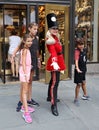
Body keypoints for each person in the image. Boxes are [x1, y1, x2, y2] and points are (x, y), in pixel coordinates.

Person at [12, 22, 41, 112]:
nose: (35, 31)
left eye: (36, 29)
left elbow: (37, 50)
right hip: (27, 63)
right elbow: (18, 46)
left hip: (33, 62)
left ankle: (29, 99)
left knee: (30, 81)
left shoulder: (36, 38)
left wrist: (39, 60)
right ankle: (21, 101)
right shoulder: (26, 38)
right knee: (25, 83)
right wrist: (13, 55)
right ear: (29, 29)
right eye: (34, 29)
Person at [45, 13, 66, 116]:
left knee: (53, 81)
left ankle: (49, 97)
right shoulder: (50, 39)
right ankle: (53, 105)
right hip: (55, 61)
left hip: (59, 59)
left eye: (57, 28)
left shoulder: (56, 37)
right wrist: (54, 62)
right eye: (53, 28)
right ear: (49, 29)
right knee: (55, 83)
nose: (56, 29)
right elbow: (52, 51)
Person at [19, 34, 35, 123]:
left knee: (25, 90)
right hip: (25, 72)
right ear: (24, 41)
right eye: (28, 41)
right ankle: (26, 113)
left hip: (26, 70)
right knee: (25, 91)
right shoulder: (25, 50)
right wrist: (25, 74)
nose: (30, 42)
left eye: (31, 41)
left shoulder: (26, 49)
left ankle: (23, 107)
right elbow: (24, 63)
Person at [74, 40, 90, 106]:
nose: (81, 46)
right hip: (79, 70)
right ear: (77, 45)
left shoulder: (84, 50)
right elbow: (76, 60)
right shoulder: (77, 51)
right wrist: (77, 68)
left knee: (83, 82)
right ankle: (76, 99)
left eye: (82, 44)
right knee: (79, 84)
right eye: (80, 45)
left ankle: (85, 95)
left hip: (83, 69)